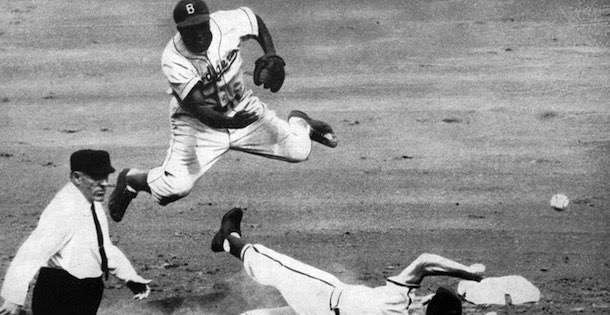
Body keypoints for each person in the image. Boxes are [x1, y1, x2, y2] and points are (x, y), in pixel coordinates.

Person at [109, 0, 338, 222]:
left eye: (201, 25)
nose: (198, 33)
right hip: (197, 125)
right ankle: (132, 180)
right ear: (179, 30)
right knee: (175, 188)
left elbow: (255, 23)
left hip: (241, 108)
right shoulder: (174, 59)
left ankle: (300, 122)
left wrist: (272, 55)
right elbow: (199, 108)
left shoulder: (227, 22)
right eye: (190, 29)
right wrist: (233, 123)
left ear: (209, 20)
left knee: (298, 151)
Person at [211, 208, 487, 315]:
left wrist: (470, 274)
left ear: (427, 306)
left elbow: (426, 262)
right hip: (325, 310)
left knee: (276, 268)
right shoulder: (402, 304)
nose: (425, 297)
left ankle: (228, 238)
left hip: (323, 295)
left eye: (429, 299)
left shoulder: (398, 299)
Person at [0, 150, 152, 315]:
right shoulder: (64, 209)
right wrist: (13, 298)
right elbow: (32, 251)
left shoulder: (91, 202)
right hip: (61, 294)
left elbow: (103, 247)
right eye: (96, 177)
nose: (104, 183)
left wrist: (129, 278)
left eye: (105, 177)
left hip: (88, 292)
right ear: (77, 177)